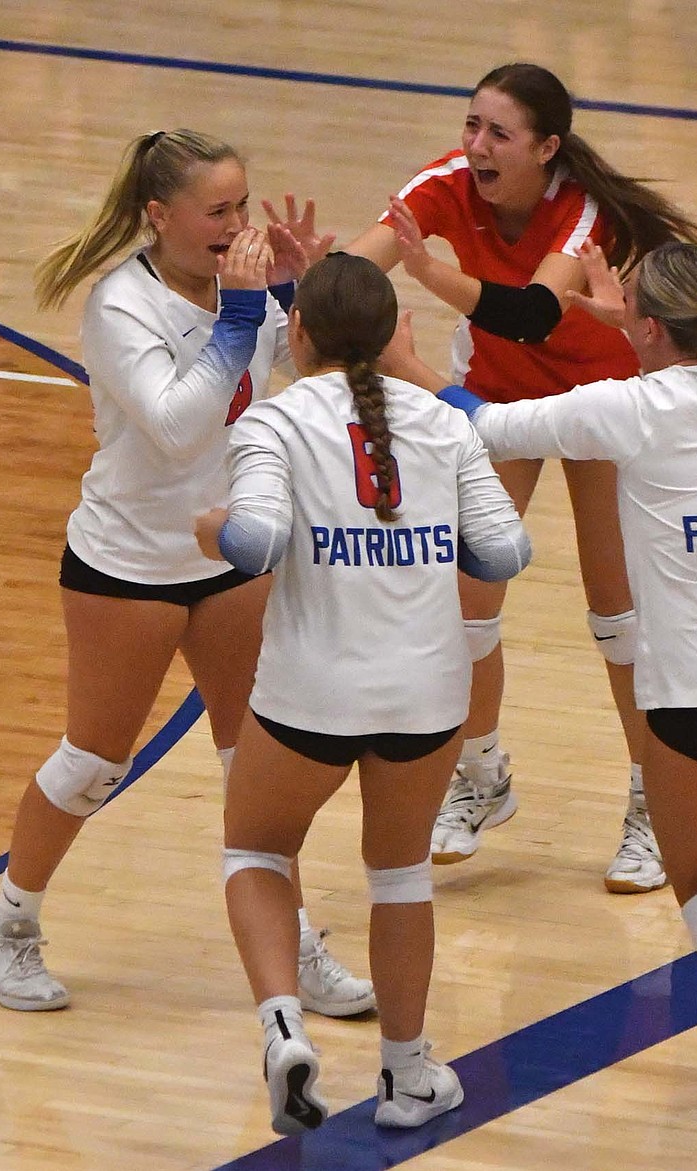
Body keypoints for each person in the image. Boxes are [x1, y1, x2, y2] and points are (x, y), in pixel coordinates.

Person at [387, 237, 697, 1133]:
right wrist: (644, 329)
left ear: (649, 328)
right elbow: (694, 372)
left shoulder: (627, 409)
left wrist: (405, 364)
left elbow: (480, 422)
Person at [0, 129, 374, 1020]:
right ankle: (7, 921)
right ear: (161, 215)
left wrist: (302, 294)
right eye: (218, 209)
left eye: (242, 204)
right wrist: (244, 309)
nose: (237, 223)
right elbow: (178, 427)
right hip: (127, 564)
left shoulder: (248, 290)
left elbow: (311, 382)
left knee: (257, 764)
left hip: (227, 554)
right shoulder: (122, 306)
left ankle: (292, 943)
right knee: (95, 762)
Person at [342, 62, 697, 892]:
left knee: (616, 614)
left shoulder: (578, 211)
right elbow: (363, 269)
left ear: (547, 148)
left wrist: (429, 276)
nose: (475, 144)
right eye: (471, 124)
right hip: (502, 397)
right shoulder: (446, 180)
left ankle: (652, 801)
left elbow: (533, 312)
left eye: (497, 133)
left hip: (602, 402)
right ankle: (480, 775)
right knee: (463, 603)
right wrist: (309, 281)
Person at [193, 252, 531, 1134]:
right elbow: (505, 554)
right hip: (427, 692)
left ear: (296, 333)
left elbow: (257, 541)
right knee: (400, 874)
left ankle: (281, 1029)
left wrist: (212, 529)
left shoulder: (275, 420)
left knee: (258, 854)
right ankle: (407, 1076)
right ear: (391, 338)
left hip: (310, 690)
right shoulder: (443, 423)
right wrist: (423, 545)